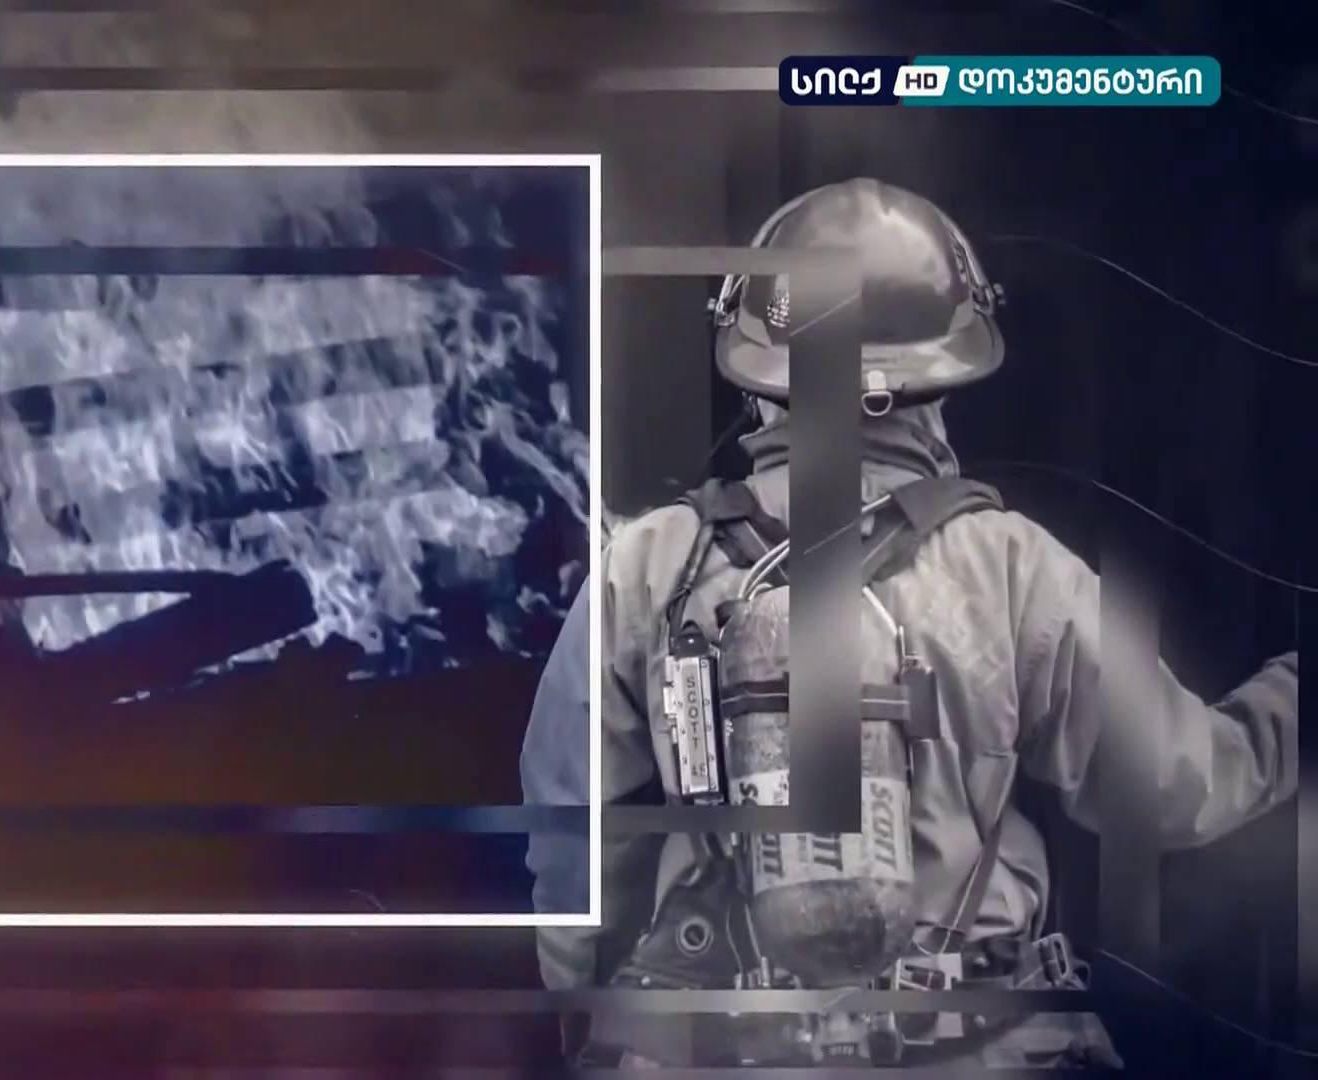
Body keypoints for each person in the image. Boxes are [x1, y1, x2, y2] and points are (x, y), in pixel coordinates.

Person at [520, 178, 1300, 1069]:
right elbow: (1180, 785)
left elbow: (569, 831)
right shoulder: (1012, 565)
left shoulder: (649, 564)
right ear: (942, 385)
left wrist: (587, 1003)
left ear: (763, 382)